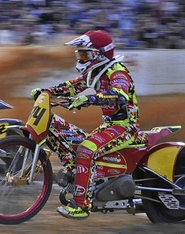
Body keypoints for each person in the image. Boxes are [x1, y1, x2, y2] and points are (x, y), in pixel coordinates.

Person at [30, 30, 139, 219]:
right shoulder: (95, 72)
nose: (81, 58)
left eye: (85, 54)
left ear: (100, 54)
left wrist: (89, 99)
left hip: (125, 128)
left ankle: (82, 206)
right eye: (79, 54)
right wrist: (45, 91)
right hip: (108, 126)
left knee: (86, 150)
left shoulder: (117, 71)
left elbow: (120, 95)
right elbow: (72, 86)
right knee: (56, 128)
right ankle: (76, 176)